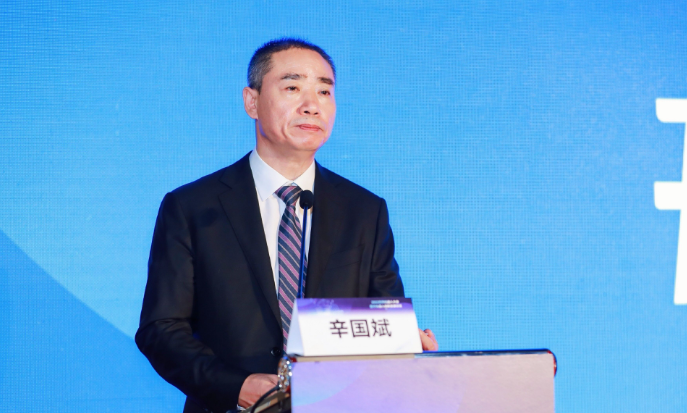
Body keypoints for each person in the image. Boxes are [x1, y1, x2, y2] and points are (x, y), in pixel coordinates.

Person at [135, 38, 438, 413]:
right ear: (252, 102)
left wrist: (401, 341)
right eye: (293, 88)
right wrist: (235, 387)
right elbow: (161, 328)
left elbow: (378, 314)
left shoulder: (364, 210)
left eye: (324, 91)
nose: (312, 105)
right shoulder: (192, 207)